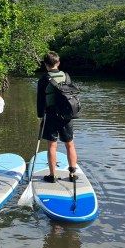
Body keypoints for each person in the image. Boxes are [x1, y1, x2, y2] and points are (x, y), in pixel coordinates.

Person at [36, 51, 78, 183]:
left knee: (52, 146)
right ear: (58, 63)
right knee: (70, 144)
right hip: (66, 115)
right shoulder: (66, 76)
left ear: (45, 64)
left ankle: (52, 175)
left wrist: (40, 116)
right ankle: (72, 174)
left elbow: (40, 100)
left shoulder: (43, 79)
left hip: (51, 114)